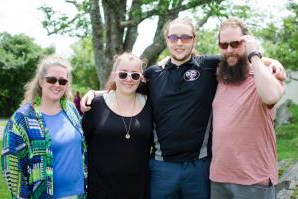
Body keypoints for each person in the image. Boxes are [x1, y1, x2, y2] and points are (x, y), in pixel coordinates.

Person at [80, 18, 285, 199]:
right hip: (162, 167)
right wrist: (97, 93)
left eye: (185, 37)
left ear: (194, 39)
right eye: (174, 37)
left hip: (199, 167)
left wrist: (271, 61)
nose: (179, 42)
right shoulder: (154, 73)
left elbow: (236, 57)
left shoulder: (209, 65)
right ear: (167, 39)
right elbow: (127, 85)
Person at [210, 17, 285, 199]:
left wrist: (256, 56)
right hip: (218, 179)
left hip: (254, 181)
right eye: (223, 45)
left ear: (247, 42)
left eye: (235, 43)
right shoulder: (219, 77)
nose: (229, 50)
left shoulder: (264, 75)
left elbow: (271, 96)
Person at [1, 55, 87, 199]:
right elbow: (12, 167)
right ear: (41, 81)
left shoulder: (71, 110)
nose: (57, 84)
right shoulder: (22, 119)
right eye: (52, 79)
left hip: (79, 194)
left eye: (63, 81)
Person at [81, 52, 152, 199]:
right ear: (114, 75)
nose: (128, 79)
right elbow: (82, 146)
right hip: (101, 190)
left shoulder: (151, 105)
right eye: (122, 74)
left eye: (135, 75)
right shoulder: (95, 105)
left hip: (139, 190)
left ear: (141, 78)